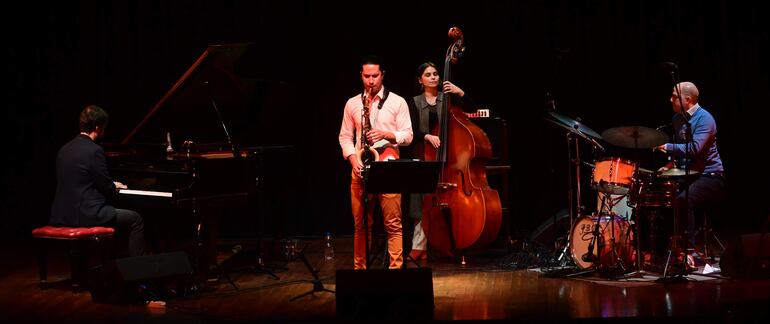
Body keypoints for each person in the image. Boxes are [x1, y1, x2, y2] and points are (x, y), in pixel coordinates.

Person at [338, 55, 413, 269]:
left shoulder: (397, 101)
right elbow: (345, 137)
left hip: (388, 167)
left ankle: (396, 269)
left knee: (393, 224)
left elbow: (408, 137)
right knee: (360, 225)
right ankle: (360, 270)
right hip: (361, 168)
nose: (371, 81)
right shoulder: (353, 103)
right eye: (367, 76)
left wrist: (386, 134)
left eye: (375, 76)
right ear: (361, 76)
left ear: (383, 75)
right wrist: (354, 161)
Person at [50, 105, 145, 257]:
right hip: (87, 214)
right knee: (136, 219)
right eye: (104, 127)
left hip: (63, 214)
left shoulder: (64, 149)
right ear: (97, 127)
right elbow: (105, 186)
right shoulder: (94, 150)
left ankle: (85, 270)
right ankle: (140, 271)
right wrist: (114, 185)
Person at [406, 62, 478, 261]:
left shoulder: (447, 98)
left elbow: (473, 110)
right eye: (428, 74)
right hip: (424, 155)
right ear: (420, 80)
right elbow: (410, 129)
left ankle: (447, 242)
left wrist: (459, 91)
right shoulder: (413, 102)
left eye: (436, 74)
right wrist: (427, 136)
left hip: (449, 160)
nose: (433, 77)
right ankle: (418, 246)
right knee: (422, 201)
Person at [655, 81, 725, 257]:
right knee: (661, 197)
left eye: (674, 96)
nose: (670, 99)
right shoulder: (677, 119)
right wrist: (669, 165)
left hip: (710, 175)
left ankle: (688, 252)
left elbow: (694, 148)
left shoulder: (705, 118)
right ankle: (661, 251)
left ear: (688, 100)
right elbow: (682, 151)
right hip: (690, 174)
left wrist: (668, 146)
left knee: (683, 200)